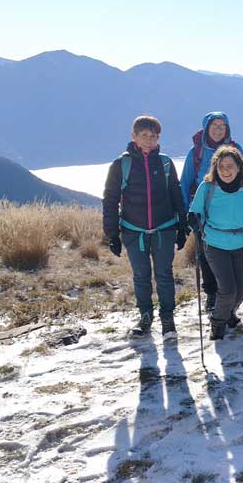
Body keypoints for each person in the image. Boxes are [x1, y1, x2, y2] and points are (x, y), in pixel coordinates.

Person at [102, 115, 187, 340]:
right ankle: (146, 318)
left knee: (164, 275)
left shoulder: (166, 163)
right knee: (141, 276)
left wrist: (182, 225)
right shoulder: (122, 165)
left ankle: (168, 319)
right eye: (144, 135)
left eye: (154, 136)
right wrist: (112, 234)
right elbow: (110, 199)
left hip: (164, 228)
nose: (149, 140)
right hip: (133, 231)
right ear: (134, 136)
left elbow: (176, 193)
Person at [188, 145, 243, 340]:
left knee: (239, 294)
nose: (226, 170)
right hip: (215, 244)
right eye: (221, 166)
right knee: (228, 290)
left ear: (239, 166)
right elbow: (197, 213)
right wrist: (193, 221)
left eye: (230, 165)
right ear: (215, 168)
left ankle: (229, 313)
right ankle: (218, 322)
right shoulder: (208, 187)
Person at [179, 112, 243, 313]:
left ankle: (230, 296)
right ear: (206, 128)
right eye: (214, 126)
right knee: (206, 255)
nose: (218, 130)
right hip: (203, 214)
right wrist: (186, 213)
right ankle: (211, 294)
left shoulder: (236, 150)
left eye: (222, 126)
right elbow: (185, 183)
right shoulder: (196, 153)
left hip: (232, 212)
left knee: (232, 256)